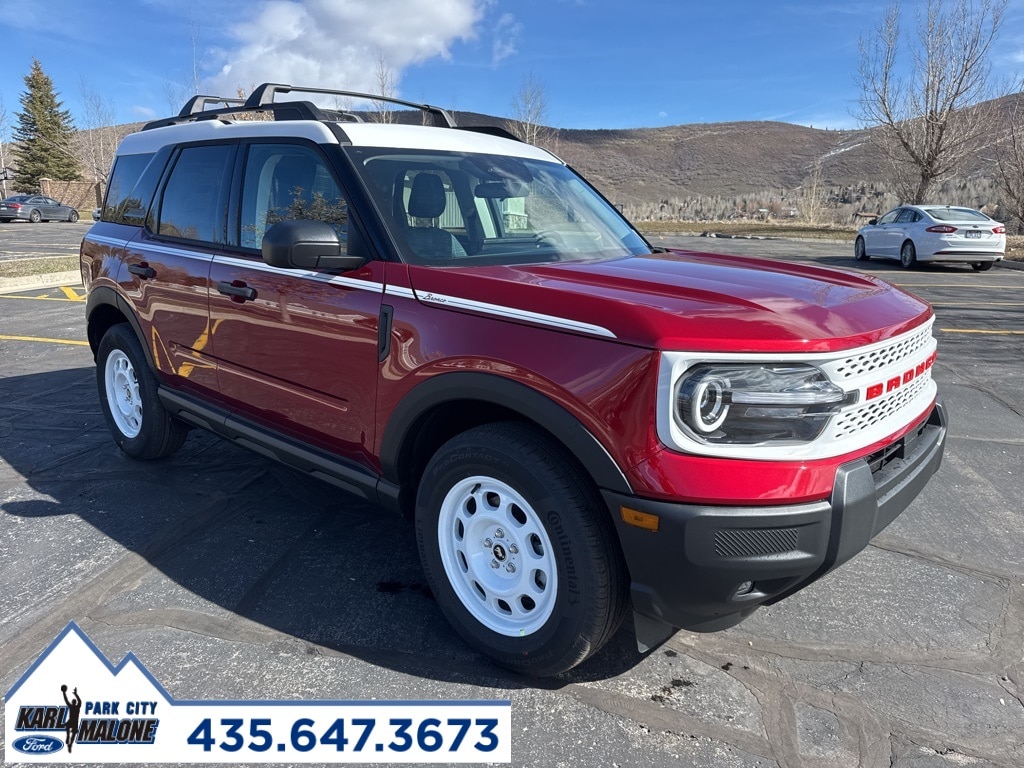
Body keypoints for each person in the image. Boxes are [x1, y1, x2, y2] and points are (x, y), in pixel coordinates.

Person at [61, 684, 81, 753]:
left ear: (73, 702)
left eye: (73, 701)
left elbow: (67, 700)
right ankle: (68, 738)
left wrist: (75, 694)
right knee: (70, 730)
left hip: (73, 721)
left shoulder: (75, 707)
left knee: (70, 729)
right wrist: (64, 693)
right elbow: (66, 700)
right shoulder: (74, 706)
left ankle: (69, 742)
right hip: (73, 721)